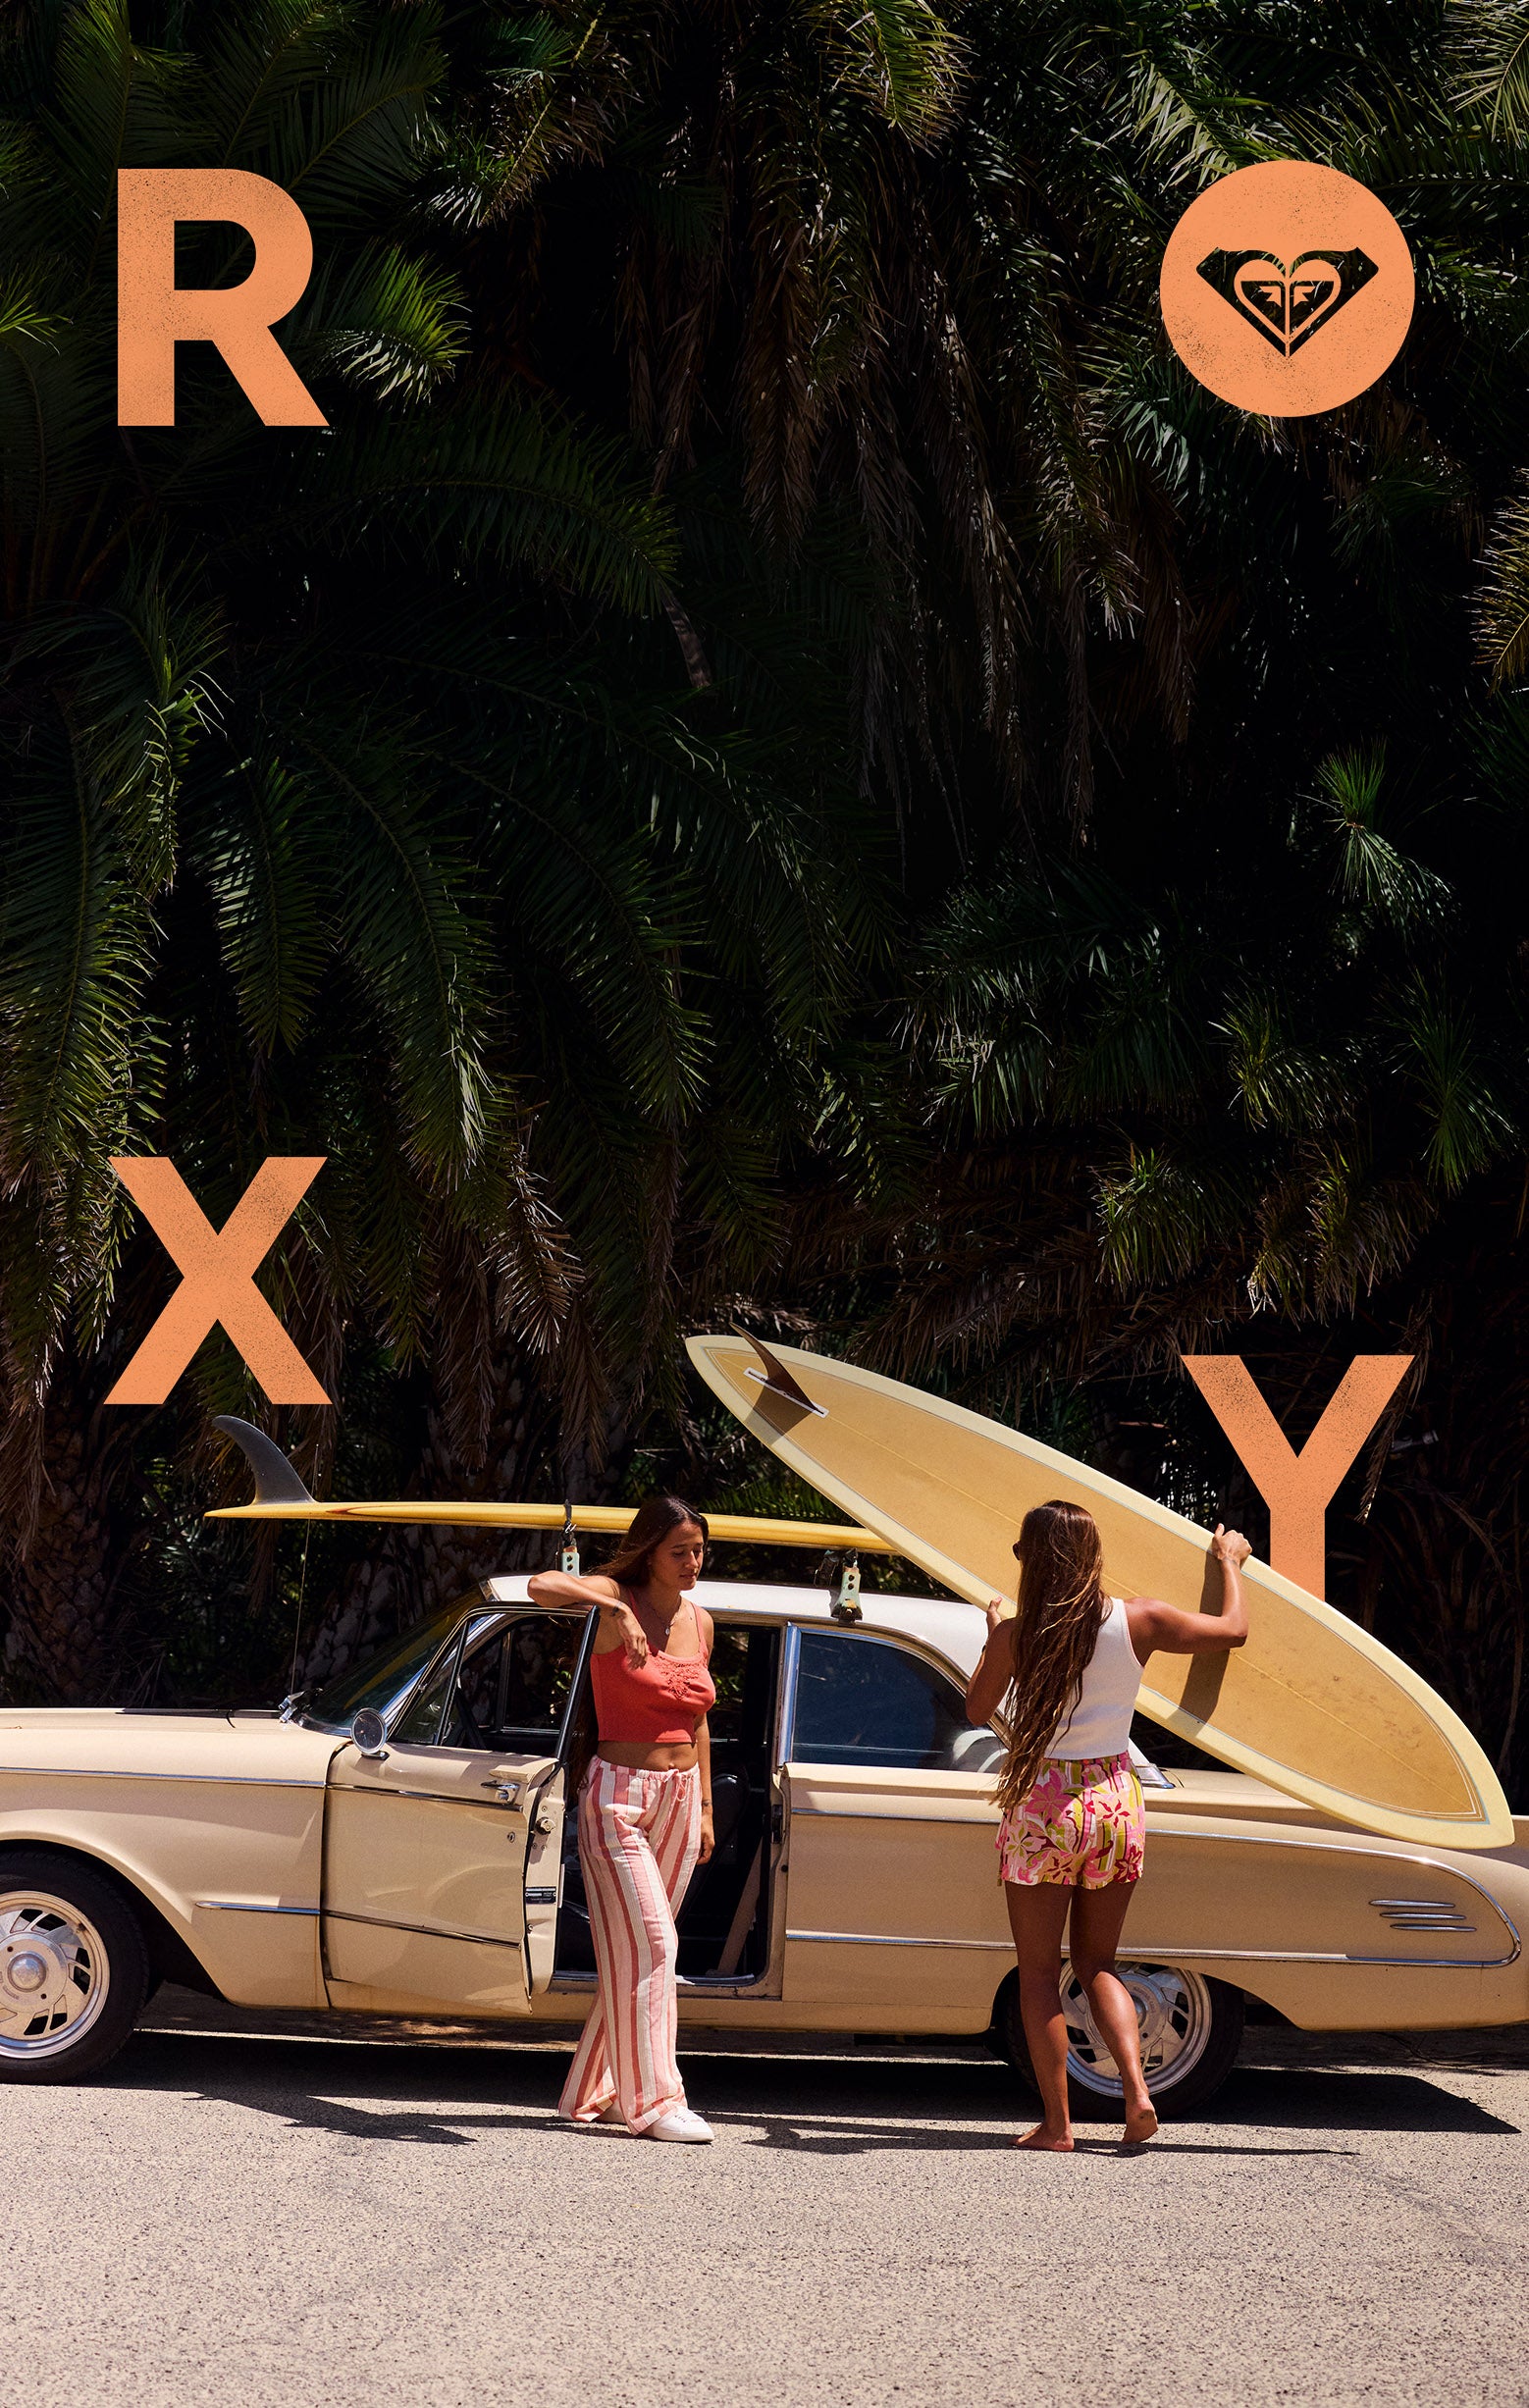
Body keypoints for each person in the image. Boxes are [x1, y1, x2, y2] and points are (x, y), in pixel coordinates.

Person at [966, 1498, 1250, 2153]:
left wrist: (994, 1634)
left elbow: (979, 1710)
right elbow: (1232, 1631)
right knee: (1099, 1964)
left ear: (1031, 1561)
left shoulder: (1017, 1635)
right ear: (1092, 1558)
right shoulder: (1139, 1620)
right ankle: (1137, 2092)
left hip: (1044, 1806)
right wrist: (1229, 1562)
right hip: (1114, 1801)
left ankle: (1059, 2127)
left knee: (1039, 1974)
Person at [528, 1494, 716, 2143]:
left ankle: (593, 2092)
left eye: (698, 1549)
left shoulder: (702, 1620)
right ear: (650, 1552)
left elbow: (698, 1719)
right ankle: (657, 2101)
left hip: (683, 1797)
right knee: (655, 1946)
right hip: (620, 1797)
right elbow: (539, 1585)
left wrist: (708, 1809)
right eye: (679, 1551)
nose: (693, 1561)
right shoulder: (618, 1597)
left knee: (635, 1954)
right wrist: (611, 1608)